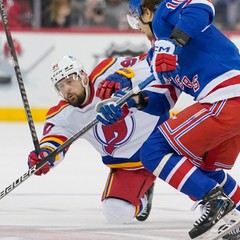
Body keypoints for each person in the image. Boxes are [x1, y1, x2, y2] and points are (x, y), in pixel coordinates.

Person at [96, 0, 240, 239]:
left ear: (148, 12)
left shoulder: (165, 15)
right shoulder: (157, 53)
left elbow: (203, 6)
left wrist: (174, 42)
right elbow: (162, 100)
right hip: (228, 103)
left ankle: (217, 204)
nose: (138, 26)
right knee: (203, 170)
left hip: (227, 96)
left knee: (153, 150)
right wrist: (131, 101)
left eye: (137, 15)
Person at [27, 54, 170, 224]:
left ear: (84, 77)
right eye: (61, 86)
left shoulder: (107, 71)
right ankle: (143, 195)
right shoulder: (62, 115)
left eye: (70, 81)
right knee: (116, 214)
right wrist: (44, 156)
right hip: (130, 166)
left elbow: (148, 60)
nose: (67, 90)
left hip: (164, 138)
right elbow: (53, 143)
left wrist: (127, 74)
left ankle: (209, 199)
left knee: (204, 166)